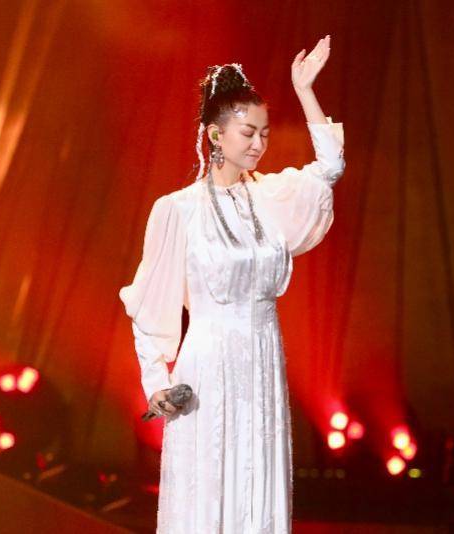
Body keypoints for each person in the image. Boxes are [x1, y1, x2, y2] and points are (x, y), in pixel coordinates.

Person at [119, 35, 344, 533]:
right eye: (248, 133)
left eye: (264, 133)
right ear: (215, 135)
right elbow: (150, 308)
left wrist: (305, 91)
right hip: (209, 366)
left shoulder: (271, 197)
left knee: (257, 488)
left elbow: (330, 167)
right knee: (210, 489)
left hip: (263, 360)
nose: (259, 144)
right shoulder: (177, 209)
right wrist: (156, 384)